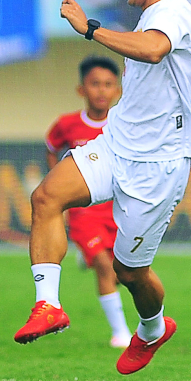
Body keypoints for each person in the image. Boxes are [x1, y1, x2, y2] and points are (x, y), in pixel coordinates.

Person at [14, 0, 191, 375]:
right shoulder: (154, 15)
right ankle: (48, 306)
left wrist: (89, 27)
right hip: (115, 145)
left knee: (128, 272)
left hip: (158, 167)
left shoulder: (174, 13)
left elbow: (151, 52)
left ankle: (151, 329)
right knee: (46, 199)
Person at [44, 55, 132, 349]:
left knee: (124, 270)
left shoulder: (126, 124)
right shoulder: (67, 125)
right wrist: (58, 186)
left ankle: (90, 258)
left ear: (118, 90)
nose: (102, 91)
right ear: (81, 89)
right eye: (95, 84)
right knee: (106, 268)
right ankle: (120, 333)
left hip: (119, 210)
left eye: (108, 84)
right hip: (85, 213)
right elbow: (51, 147)